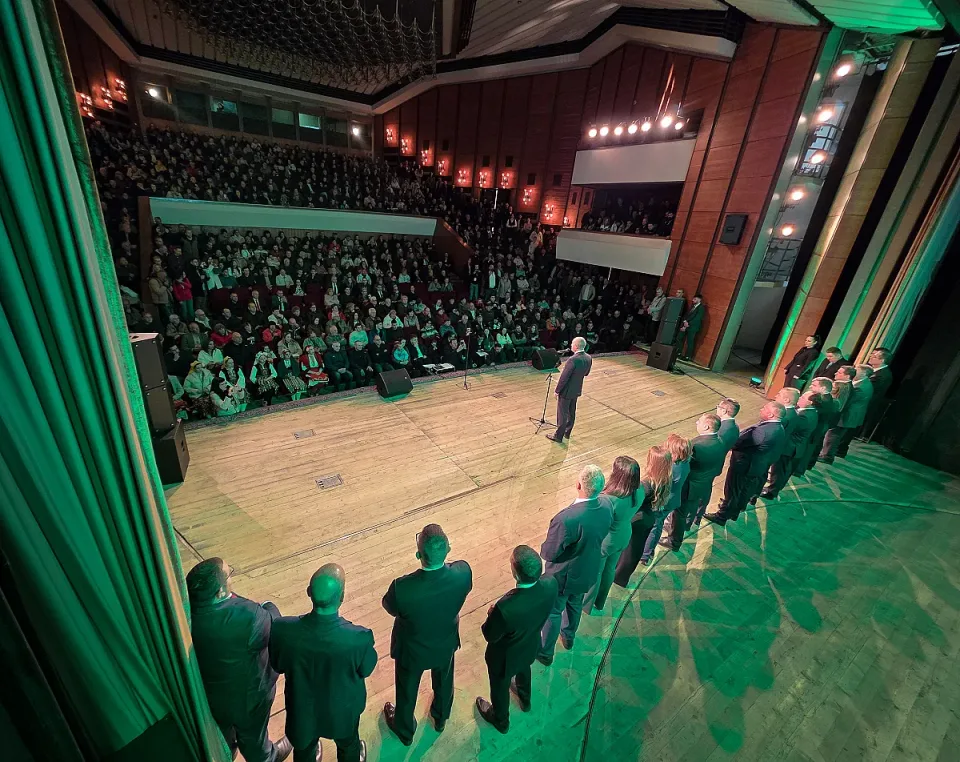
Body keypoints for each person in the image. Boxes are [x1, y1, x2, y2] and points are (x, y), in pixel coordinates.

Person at [186, 558, 291, 762]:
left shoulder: (185, 615)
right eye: (229, 575)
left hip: (209, 697)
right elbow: (275, 624)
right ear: (220, 592)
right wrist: (268, 605)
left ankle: (227, 753)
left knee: (221, 734)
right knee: (253, 737)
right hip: (249, 698)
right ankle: (265, 757)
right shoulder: (249, 616)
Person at [269, 564, 376, 762]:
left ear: (308, 592)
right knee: (348, 745)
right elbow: (366, 669)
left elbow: (277, 665)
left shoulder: (282, 629)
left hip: (301, 711)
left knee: (303, 750)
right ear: (342, 597)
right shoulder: (359, 638)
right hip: (342, 712)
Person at [382, 525, 472, 746]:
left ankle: (404, 730)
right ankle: (440, 718)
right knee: (444, 681)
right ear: (449, 549)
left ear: (418, 554)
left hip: (412, 649)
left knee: (406, 689)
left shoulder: (402, 588)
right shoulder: (463, 573)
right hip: (445, 642)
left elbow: (390, 607)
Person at [475, 546, 557, 733]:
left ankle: (501, 720)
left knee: (499, 686)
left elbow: (489, 635)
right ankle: (525, 699)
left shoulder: (506, 608)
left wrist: (491, 614)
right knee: (524, 668)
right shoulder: (551, 583)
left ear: (515, 573)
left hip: (505, 659)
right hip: (531, 645)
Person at [537, 464, 611, 665]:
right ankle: (568, 637)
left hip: (563, 576)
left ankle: (545, 652)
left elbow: (549, 552)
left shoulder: (567, 518)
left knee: (554, 611)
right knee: (575, 603)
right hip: (588, 569)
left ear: (578, 485)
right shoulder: (606, 506)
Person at [705, 401, 787, 526]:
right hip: (756, 465)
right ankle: (734, 511)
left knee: (732, 491)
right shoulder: (778, 428)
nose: (761, 409)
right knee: (741, 491)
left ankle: (722, 516)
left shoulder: (762, 431)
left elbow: (738, 443)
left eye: (765, 408)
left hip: (744, 466)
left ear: (771, 415)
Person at [582, 456, 642, 614]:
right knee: (609, 569)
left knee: (596, 572)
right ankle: (600, 602)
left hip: (606, 541)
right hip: (623, 535)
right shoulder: (639, 491)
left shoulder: (608, 499)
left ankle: (586, 606)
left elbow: (596, 521)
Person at [662, 413, 728, 548]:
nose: (697, 422)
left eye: (699, 421)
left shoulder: (696, 446)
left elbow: (682, 464)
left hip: (690, 485)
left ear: (706, 426)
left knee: (679, 513)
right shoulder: (720, 441)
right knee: (692, 506)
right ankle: (688, 524)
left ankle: (674, 541)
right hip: (705, 482)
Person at [613, 446, 672, 586]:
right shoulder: (665, 479)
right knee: (636, 549)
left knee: (628, 551)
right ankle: (623, 577)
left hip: (638, 519)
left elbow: (633, 503)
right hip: (649, 518)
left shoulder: (645, 484)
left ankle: (618, 577)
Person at [645, 434, 689, 561]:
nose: (664, 447)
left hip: (665, 502)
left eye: (667, 447)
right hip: (673, 500)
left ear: (674, 453)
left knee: (655, 526)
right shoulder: (685, 462)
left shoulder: (671, 469)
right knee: (658, 524)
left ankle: (646, 553)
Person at [820, 364, 874, 463]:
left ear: (864, 373)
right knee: (834, 435)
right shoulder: (860, 383)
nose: (854, 371)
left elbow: (847, 401)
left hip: (848, 414)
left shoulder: (862, 386)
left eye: (857, 370)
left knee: (833, 435)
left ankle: (827, 456)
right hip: (848, 413)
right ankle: (827, 454)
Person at [546, 336, 592, 443]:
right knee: (571, 412)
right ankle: (567, 432)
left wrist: (557, 391)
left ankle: (558, 436)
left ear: (575, 346)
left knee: (562, 414)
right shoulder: (588, 357)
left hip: (566, 391)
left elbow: (564, 378)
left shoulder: (572, 360)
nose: (571, 345)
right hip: (577, 389)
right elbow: (586, 373)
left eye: (572, 344)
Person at [760, 388, 800, 500]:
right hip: (782, 447)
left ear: (786, 400)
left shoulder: (785, 416)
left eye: (779, 394)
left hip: (780, 448)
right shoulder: (792, 412)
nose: (776, 396)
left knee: (776, 471)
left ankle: (771, 492)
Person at [786, 391, 821, 481]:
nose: (799, 398)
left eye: (802, 397)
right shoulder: (810, 412)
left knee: (782, 472)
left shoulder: (805, 416)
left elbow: (791, 429)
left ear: (810, 402)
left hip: (792, 448)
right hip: (796, 447)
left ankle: (773, 488)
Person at [862, 347, 893, 438]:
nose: (870, 357)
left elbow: (870, 389)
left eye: (874, 356)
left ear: (882, 360)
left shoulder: (884, 375)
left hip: (867, 403)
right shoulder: (869, 370)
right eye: (871, 354)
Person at [677, 294, 704, 360]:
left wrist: (688, 323)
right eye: (693, 299)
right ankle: (679, 352)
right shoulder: (692, 306)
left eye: (695, 299)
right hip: (685, 325)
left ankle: (687, 356)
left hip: (692, 327)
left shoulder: (701, 308)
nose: (693, 300)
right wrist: (684, 322)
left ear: (699, 300)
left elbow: (697, 318)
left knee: (690, 341)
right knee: (679, 338)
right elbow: (686, 315)